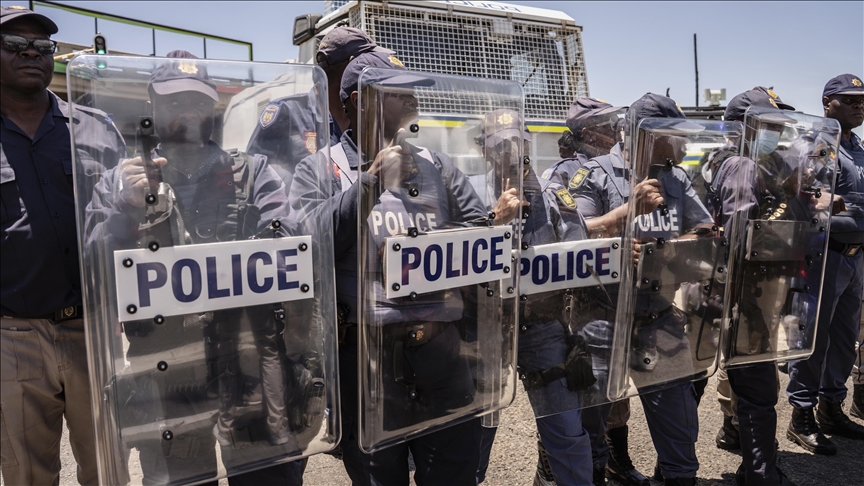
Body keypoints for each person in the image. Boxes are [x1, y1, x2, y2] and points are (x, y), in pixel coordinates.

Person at [83, 50, 305, 486]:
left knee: (268, 479)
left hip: (247, 359)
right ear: (152, 106)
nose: (188, 112)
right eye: (174, 101)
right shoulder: (118, 182)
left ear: (212, 106)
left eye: (198, 102)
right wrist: (127, 210)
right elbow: (92, 268)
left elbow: (293, 242)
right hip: (168, 370)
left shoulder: (252, 172)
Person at [288, 50, 488, 485]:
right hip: (367, 362)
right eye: (401, 93)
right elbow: (307, 245)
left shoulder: (439, 165)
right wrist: (371, 183)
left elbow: (479, 234)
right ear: (361, 101)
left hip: (442, 353)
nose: (413, 101)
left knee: (456, 474)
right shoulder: (319, 168)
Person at [0, 7, 124, 485]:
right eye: (14, 44)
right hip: (15, 338)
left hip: (93, 331)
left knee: (109, 468)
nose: (31, 53)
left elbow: (130, 220)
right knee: (28, 474)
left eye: (43, 46)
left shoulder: (96, 129)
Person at [571, 93, 713, 486]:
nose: (683, 145)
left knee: (679, 428)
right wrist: (623, 218)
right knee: (590, 425)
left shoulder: (675, 177)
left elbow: (703, 229)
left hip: (659, 319)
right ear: (646, 135)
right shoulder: (593, 174)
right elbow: (572, 236)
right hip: (601, 322)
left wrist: (667, 252)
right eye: (675, 136)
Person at [474, 110, 594, 486]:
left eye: (519, 142)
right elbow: (452, 259)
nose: (513, 152)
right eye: (502, 146)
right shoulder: (468, 191)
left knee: (565, 429)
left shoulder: (554, 194)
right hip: (484, 333)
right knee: (472, 436)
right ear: (486, 151)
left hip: (543, 330)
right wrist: (494, 221)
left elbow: (581, 258)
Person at [543, 97, 648, 486]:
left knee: (612, 393)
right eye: (607, 125)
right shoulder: (566, 173)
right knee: (580, 391)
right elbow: (559, 233)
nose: (617, 130)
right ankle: (555, 470)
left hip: (620, 294)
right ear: (588, 132)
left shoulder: (625, 167)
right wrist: (618, 222)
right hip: (582, 298)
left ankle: (614, 459)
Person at [709, 86, 800, 486]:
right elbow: (740, 232)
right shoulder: (744, 165)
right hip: (745, 288)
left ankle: (672, 464)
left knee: (697, 378)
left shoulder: (752, 163)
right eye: (767, 125)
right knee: (757, 385)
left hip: (728, 287)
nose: (775, 133)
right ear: (744, 126)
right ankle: (762, 474)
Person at [786, 74, 864, 452]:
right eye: (849, 99)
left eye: (861, 100)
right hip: (825, 254)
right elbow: (810, 204)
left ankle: (832, 409)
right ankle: (802, 414)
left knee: (845, 341)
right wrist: (846, 205)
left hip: (856, 257)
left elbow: (843, 203)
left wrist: (849, 205)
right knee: (812, 341)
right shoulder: (816, 147)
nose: (858, 105)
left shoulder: (859, 148)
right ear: (827, 103)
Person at [246, 26, 392, 193]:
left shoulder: (366, 116)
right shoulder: (287, 112)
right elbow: (254, 177)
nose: (374, 69)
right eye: (368, 62)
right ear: (351, 65)